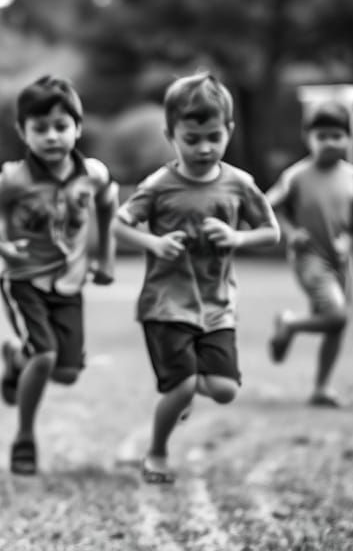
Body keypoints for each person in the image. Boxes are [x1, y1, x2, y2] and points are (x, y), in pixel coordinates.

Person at [115, 72, 280, 484]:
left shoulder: (240, 185)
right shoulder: (158, 186)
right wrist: (152, 244)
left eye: (213, 137)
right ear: (171, 135)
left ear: (229, 131)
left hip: (217, 305)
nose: (204, 148)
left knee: (224, 389)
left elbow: (271, 232)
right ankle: (156, 452)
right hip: (166, 303)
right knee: (184, 386)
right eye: (192, 139)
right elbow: (119, 226)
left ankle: (181, 391)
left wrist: (237, 236)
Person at [0, 75, 118, 475]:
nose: (52, 137)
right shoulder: (15, 179)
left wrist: (105, 255)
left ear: (78, 128)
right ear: (23, 131)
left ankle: (16, 359)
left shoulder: (94, 174)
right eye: (40, 129)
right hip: (24, 281)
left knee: (67, 373)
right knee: (46, 355)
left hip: (70, 283)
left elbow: (109, 202)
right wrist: (1, 247)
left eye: (61, 127)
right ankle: (24, 438)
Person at [266, 101, 353, 408]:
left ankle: (321, 386)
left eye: (337, 135)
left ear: (349, 137)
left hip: (343, 261)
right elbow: (270, 207)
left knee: (336, 323)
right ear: (308, 137)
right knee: (336, 315)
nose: (330, 142)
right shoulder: (296, 175)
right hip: (309, 259)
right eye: (322, 136)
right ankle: (290, 324)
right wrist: (292, 233)